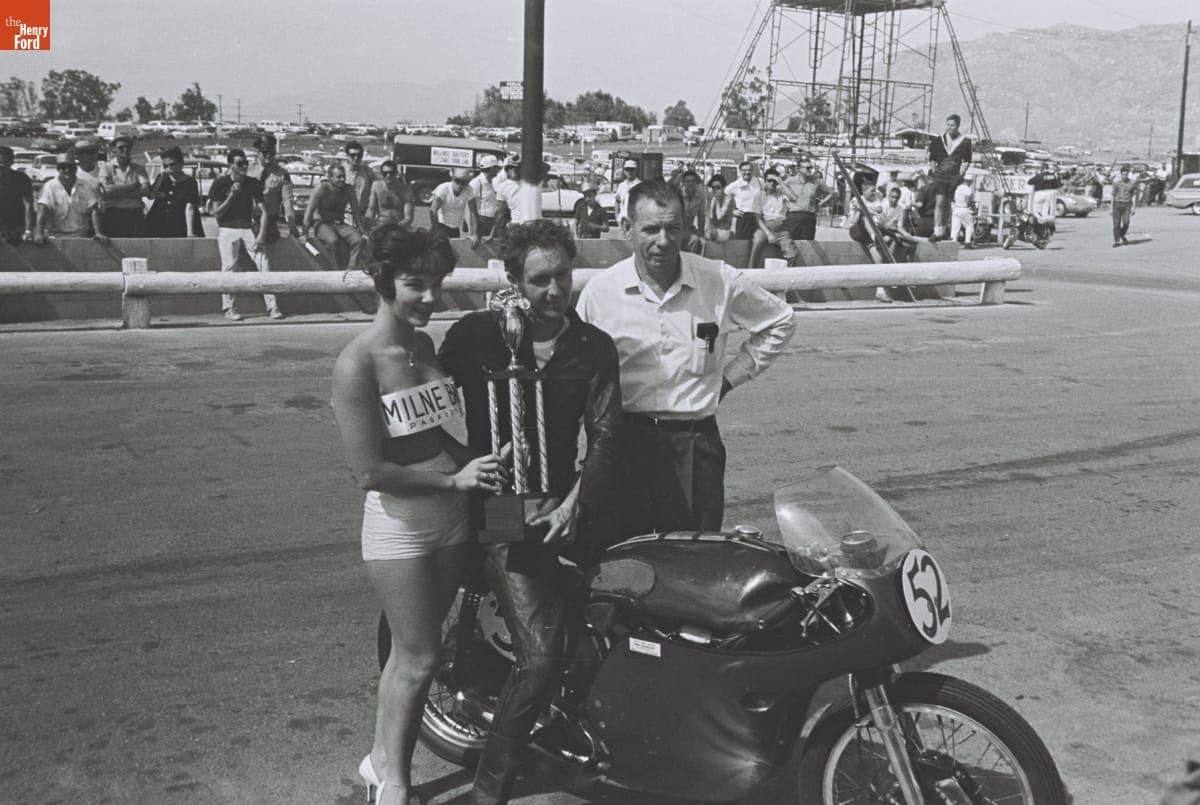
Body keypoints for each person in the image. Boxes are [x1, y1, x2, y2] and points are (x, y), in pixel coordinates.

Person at [438, 220, 622, 805]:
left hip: (568, 503)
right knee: (541, 659)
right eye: (540, 280)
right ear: (513, 280)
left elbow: (607, 435)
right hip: (498, 511)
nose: (553, 291)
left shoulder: (593, 346)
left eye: (562, 277)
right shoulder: (475, 337)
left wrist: (576, 501)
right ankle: (489, 789)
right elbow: (424, 407)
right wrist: (464, 464)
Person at [333, 224, 509, 805]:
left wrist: (482, 462)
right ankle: (396, 784)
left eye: (437, 284)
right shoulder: (357, 362)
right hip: (402, 525)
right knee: (420, 656)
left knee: (416, 652)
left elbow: (436, 434)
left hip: (452, 514)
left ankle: (379, 760)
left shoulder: (424, 347)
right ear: (384, 284)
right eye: (415, 285)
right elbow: (370, 471)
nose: (430, 298)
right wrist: (452, 478)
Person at [576, 180, 795, 536]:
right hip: (624, 443)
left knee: (693, 561)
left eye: (672, 228)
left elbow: (780, 321)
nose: (663, 241)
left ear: (685, 226)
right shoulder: (601, 293)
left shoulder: (718, 281)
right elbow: (579, 371)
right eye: (650, 229)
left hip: (695, 447)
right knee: (622, 559)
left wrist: (728, 379)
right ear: (627, 228)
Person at [207, 148, 281, 321]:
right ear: (230, 165)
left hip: (247, 228)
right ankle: (229, 308)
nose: (244, 166)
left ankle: (273, 306)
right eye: (240, 163)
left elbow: (263, 211)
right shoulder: (220, 183)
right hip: (227, 229)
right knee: (229, 267)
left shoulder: (253, 183)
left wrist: (261, 235)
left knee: (264, 263)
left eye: (246, 163)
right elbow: (217, 213)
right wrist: (232, 195)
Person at [32, 153, 107, 244]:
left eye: (70, 167)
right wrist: (39, 232)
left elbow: (94, 210)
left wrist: (98, 232)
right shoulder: (50, 187)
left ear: (75, 169)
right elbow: (42, 210)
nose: (67, 170)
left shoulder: (85, 186)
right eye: (63, 167)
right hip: (54, 236)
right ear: (58, 169)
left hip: (80, 235)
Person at [304, 163, 367, 269]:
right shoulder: (321, 189)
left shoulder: (349, 189)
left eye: (344, 176)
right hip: (322, 224)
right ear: (330, 177)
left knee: (359, 240)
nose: (342, 179)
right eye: (339, 177)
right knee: (333, 241)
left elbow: (355, 211)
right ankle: (335, 271)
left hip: (340, 224)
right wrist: (304, 233)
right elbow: (309, 211)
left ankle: (351, 268)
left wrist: (361, 229)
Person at [927, 114, 972, 241]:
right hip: (940, 175)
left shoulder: (965, 141)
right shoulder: (938, 140)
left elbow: (967, 160)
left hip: (954, 177)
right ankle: (937, 231)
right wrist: (935, 171)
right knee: (940, 201)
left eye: (952, 125)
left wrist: (961, 174)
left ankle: (944, 229)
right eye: (948, 125)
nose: (949, 127)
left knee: (948, 204)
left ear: (957, 126)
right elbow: (931, 158)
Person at [248, 133, 298, 243]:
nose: (268, 156)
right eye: (265, 152)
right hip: (247, 221)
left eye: (271, 153)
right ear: (258, 152)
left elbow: (287, 201)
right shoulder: (248, 171)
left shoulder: (282, 174)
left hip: (269, 223)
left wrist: (291, 223)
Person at [146, 146, 204, 238]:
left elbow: (190, 207)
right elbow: (151, 195)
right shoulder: (162, 178)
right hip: (160, 222)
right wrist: (160, 178)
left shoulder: (190, 182)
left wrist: (190, 232)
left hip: (180, 222)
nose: (169, 168)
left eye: (172, 164)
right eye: (165, 165)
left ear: (181, 164)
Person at [100, 135, 149, 237]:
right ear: (113, 149)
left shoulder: (139, 168)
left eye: (128, 147)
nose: (125, 150)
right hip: (114, 213)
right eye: (121, 147)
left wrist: (117, 192)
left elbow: (146, 190)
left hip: (134, 214)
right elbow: (106, 191)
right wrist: (133, 186)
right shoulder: (106, 167)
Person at [752, 168, 799, 266]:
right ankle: (751, 269)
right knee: (757, 242)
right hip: (765, 227)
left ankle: (788, 275)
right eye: (769, 180)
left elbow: (794, 198)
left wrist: (781, 182)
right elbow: (757, 218)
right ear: (765, 181)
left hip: (781, 229)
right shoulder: (759, 195)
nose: (772, 183)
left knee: (792, 254)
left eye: (774, 181)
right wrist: (768, 233)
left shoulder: (782, 194)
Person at [429, 167, 480, 247]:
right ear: (452, 178)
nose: (460, 185)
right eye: (457, 181)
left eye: (464, 182)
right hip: (440, 226)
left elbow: (474, 212)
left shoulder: (469, 190)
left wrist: (475, 234)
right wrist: (436, 230)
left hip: (455, 228)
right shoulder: (444, 188)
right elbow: (433, 209)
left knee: (453, 254)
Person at [786, 161, 833, 241]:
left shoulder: (815, 181)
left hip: (809, 216)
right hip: (794, 216)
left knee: (808, 244)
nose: (810, 170)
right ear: (798, 169)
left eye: (811, 168)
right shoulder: (790, 181)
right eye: (807, 168)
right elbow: (777, 191)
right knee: (791, 242)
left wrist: (822, 202)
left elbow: (831, 193)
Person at [0, 145, 35, 245]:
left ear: (11, 162)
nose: (1, 167)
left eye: (4, 163)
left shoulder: (22, 179)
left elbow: (28, 205)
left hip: (17, 229)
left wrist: (28, 230)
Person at [367, 160, 416, 231]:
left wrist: (396, 227)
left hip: (400, 226)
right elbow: (371, 210)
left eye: (391, 173)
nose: (388, 176)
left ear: (396, 173)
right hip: (380, 225)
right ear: (381, 174)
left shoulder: (406, 190)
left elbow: (408, 218)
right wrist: (369, 224)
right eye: (385, 173)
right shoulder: (376, 186)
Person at [726, 160, 764, 241]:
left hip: (759, 217)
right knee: (742, 243)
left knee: (759, 241)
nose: (747, 172)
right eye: (744, 170)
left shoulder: (760, 182)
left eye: (749, 170)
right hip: (744, 218)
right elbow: (721, 198)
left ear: (752, 170)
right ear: (740, 171)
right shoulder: (735, 185)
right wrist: (732, 211)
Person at [468, 155, 502, 237]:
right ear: (492, 168)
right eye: (496, 168)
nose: (498, 170)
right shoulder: (475, 183)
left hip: (493, 221)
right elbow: (470, 209)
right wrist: (473, 231)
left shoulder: (495, 182)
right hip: (481, 221)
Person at [344, 140, 378, 217]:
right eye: (353, 155)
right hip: (345, 215)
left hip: (363, 215)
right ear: (347, 156)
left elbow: (377, 191)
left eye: (359, 155)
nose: (356, 158)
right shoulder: (341, 171)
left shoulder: (368, 172)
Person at [678, 169, 707, 254]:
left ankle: (690, 262)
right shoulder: (678, 194)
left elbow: (701, 216)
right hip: (676, 227)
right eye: (687, 181)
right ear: (683, 182)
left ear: (696, 182)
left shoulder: (701, 196)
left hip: (689, 227)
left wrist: (701, 233)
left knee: (697, 240)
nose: (690, 183)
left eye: (693, 181)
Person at [1110, 165, 1137, 247]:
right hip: (1117, 204)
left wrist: (1134, 207)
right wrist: (1111, 208)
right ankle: (1116, 241)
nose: (1125, 176)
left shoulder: (1132, 183)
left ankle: (1121, 234)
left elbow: (1134, 195)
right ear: (1121, 174)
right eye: (1123, 174)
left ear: (1128, 174)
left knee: (1126, 222)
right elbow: (1113, 195)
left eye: (1126, 174)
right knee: (1116, 223)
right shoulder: (1116, 183)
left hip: (1127, 204)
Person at [613, 159, 641, 228]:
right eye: (627, 170)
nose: (629, 172)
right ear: (624, 171)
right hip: (623, 220)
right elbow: (617, 201)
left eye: (632, 170)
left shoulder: (640, 185)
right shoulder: (622, 185)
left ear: (636, 170)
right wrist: (617, 216)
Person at [706, 174, 734, 242]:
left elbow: (719, 216)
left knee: (708, 235)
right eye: (713, 188)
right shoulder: (713, 199)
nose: (715, 190)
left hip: (724, 231)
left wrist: (717, 201)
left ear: (723, 188)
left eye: (718, 188)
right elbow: (710, 218)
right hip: (714, 229)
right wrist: (712, 227)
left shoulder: (728, 200)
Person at [949, 180, 976, 249]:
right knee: (969, 225)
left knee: (955, 227)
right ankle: (967, 242)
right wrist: (972, 205)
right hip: (964, 208)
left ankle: (952, 243)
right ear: (969, 181)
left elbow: (953, 199)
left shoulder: (957, 188)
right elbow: (967, 199)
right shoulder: (967, 188)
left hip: (956, 208)